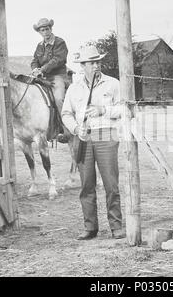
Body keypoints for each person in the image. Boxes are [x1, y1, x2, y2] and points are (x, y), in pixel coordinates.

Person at [61, 45, 125, 240]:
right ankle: (90, 227)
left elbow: (126, 109)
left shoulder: (113, 84)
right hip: (84, 137)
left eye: (97, 61)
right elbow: (66, 113)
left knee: (111, 183)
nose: (95, 65)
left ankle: (116, 226)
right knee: (86, 184)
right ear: (83, 66)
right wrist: (74, 129)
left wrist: (104, 110)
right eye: (91, 63)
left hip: (106, 135)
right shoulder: (74, 88)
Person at [31, 18, 69, 112]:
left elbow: (58, 60)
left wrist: (42, 69)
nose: (45, 32)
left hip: (58, 76)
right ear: (39, 32)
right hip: (43, 77)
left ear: (51, 29)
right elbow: (34, 60)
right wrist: (35, 69)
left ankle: (65, 123)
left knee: (59, 99)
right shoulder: (39, 46)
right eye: (42, 30)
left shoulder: (59, 42)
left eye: (47, 29)